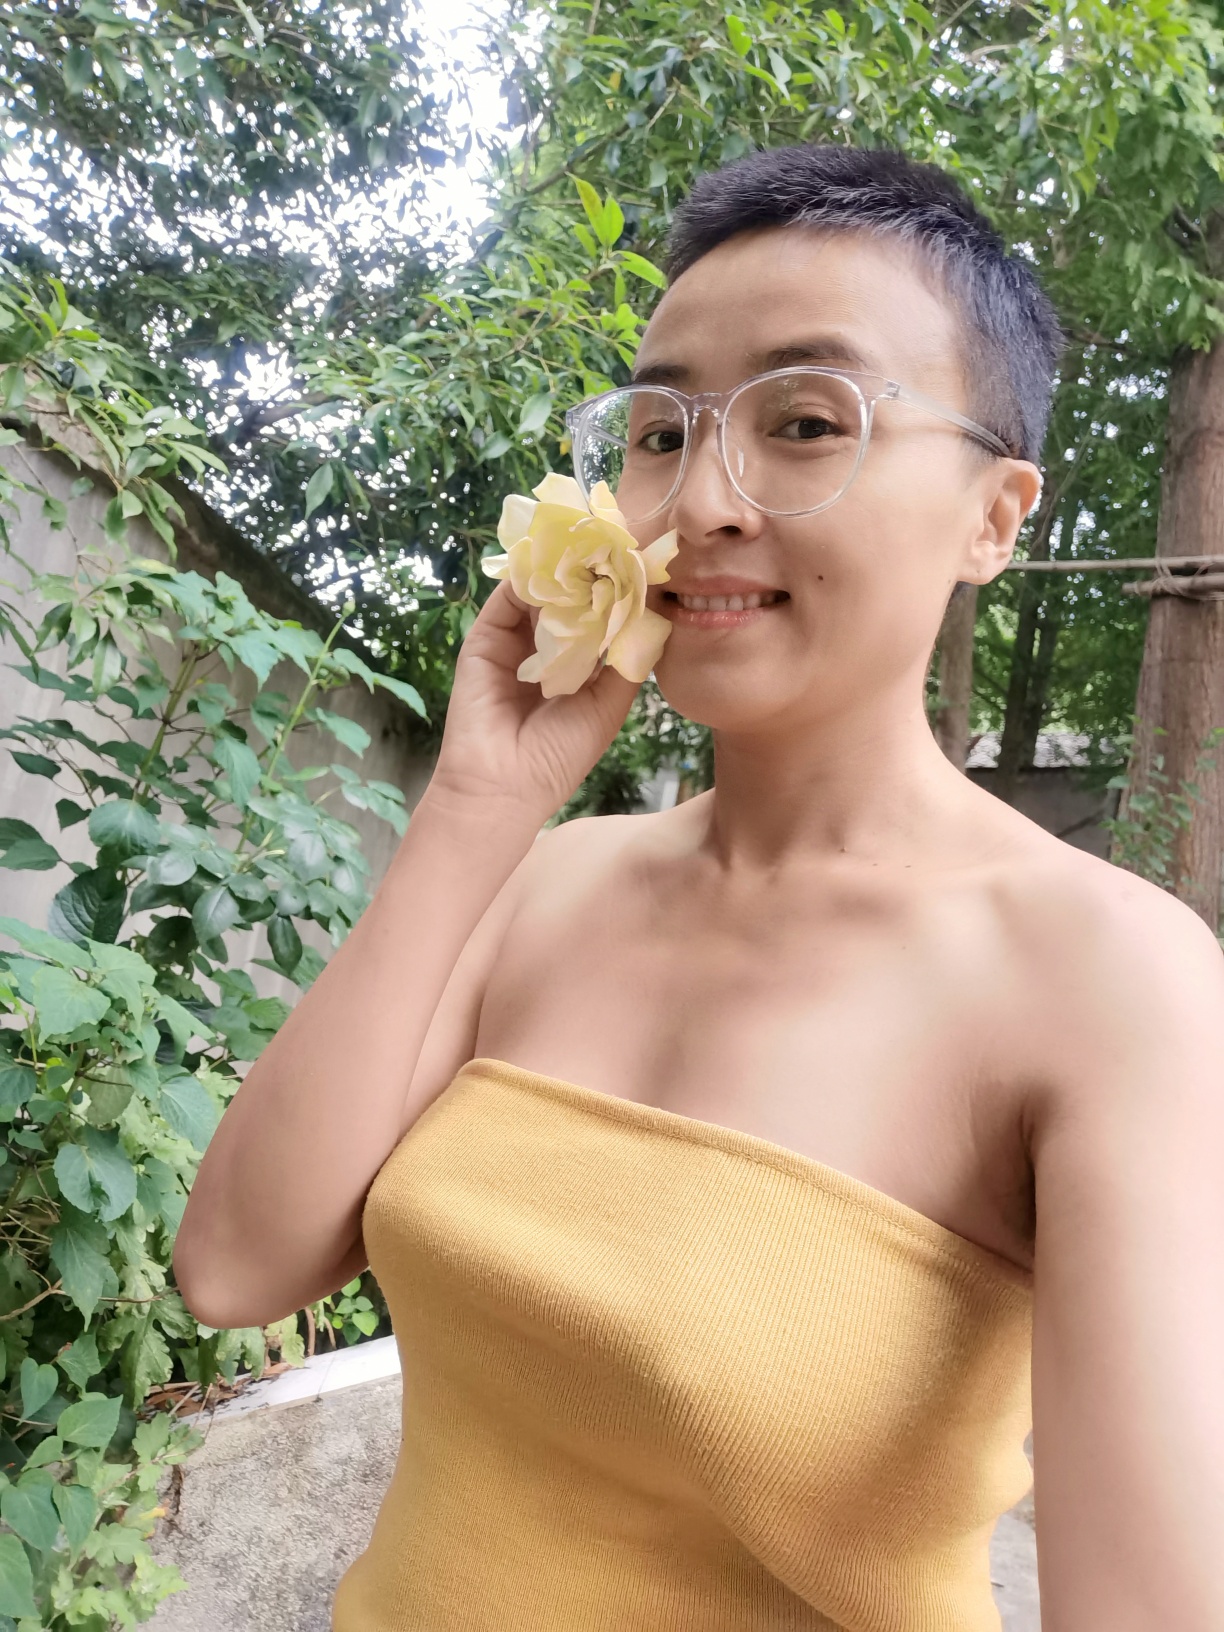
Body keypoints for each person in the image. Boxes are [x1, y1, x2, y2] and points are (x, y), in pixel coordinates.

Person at [173, 144, 1224, 1631]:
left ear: (994, 517)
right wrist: (479, 805)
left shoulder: (1107, 978)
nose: (701, 500)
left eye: (806, 422)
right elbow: (234, 1267)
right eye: (661, 433)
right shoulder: (542, 879)